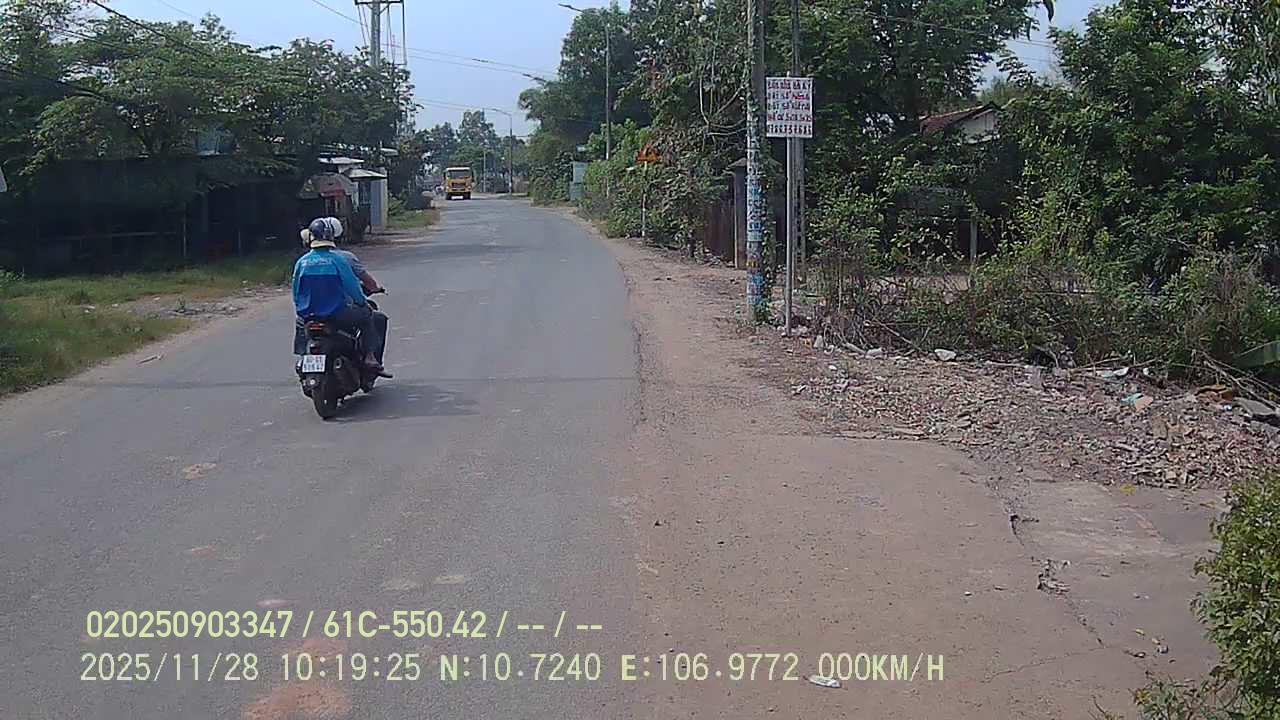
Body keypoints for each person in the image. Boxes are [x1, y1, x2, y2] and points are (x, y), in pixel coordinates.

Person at [292, 219, 385, 371]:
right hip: (337, 313)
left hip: (309, 315)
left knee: (300, 323)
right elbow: (352, 286)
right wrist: (362, 302)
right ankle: (369, 356)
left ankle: (303, 356)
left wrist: (301, 309)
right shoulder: (338, 260)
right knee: (367, 315)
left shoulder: (302, 262)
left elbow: (296, 291)